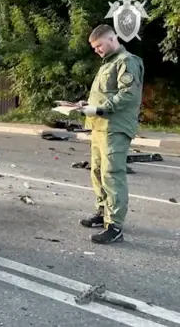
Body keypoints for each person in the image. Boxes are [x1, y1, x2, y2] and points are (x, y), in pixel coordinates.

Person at [76, 24, 144, 244]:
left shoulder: (127, 61)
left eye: (99, 45)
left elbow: (128, 95)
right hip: (100, 127)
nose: (96, 50)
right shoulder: (108, 63)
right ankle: (102, 212)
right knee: (97, 171)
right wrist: (87, 105)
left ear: (112, 39)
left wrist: (100, 108)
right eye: (94, 47)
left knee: (112, 174)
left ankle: (115, 226)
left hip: (115, 127)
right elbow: (105, 94)